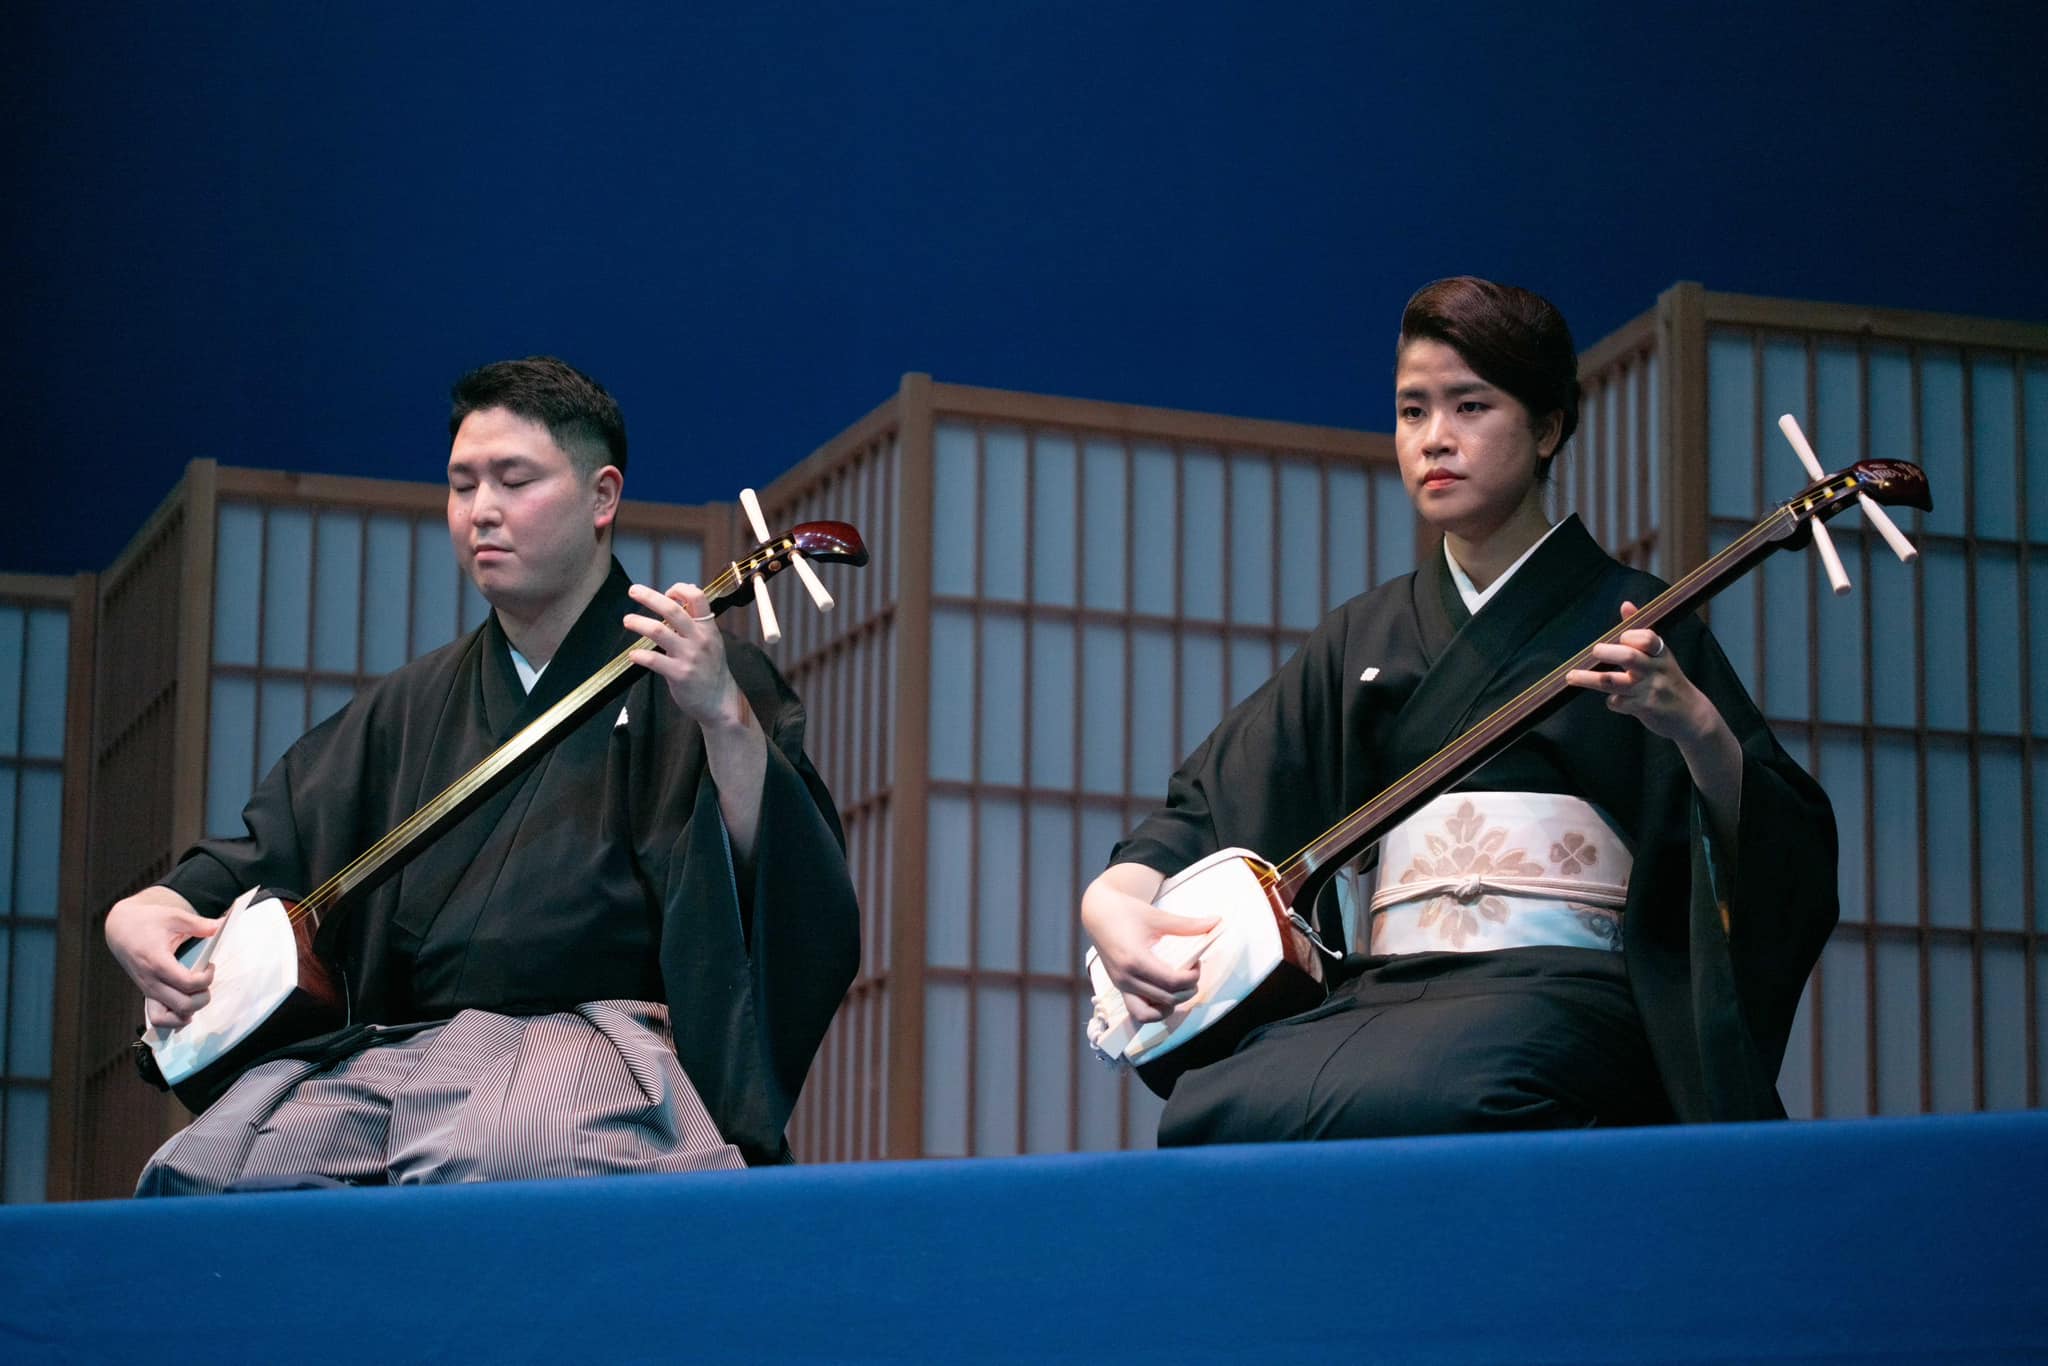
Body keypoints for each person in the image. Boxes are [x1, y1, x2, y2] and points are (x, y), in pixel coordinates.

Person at [1081, 278, 1837, 1143]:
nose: (1435, 440)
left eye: (1470, 406)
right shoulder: (1363, 634)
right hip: (1388, 990)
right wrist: (1114, 898)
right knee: (1216, 1108)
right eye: (1412, 412)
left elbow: (1785, 853)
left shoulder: (1638, 620)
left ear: (1548, 427)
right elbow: (1214, 800)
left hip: (1559, 989)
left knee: (1472, 1087)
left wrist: (1695, 728)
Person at [105, 356, 859, 1191]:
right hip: (398, 1053)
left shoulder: (702, 679)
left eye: (514, 480)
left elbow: (786, 891)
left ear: (602, 497)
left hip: (592, 1040)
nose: (481, 513)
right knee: (208, 1171)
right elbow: (264, 854)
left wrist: (723, 717)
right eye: (463, 486)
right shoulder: (408, 707)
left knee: (497, 1154)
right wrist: (148, 911)